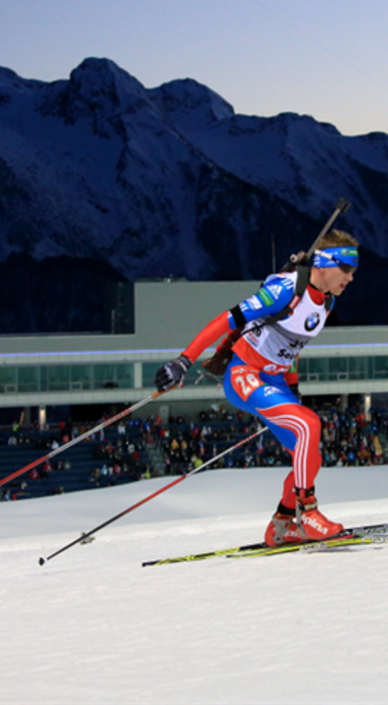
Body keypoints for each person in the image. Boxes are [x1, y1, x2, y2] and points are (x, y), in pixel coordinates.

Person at [155, 230, 359, 546]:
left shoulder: (326, 303)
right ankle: (309, 514)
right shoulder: (284, 289)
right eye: (347, 269)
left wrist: (293, 388)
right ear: (325, 263)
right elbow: (227, 320)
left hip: (275, 381)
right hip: (246, 375)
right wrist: (184, 361)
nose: (351, 278)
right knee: (309, 424)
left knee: (310, 457)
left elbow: (293, 347)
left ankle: (281, 525)